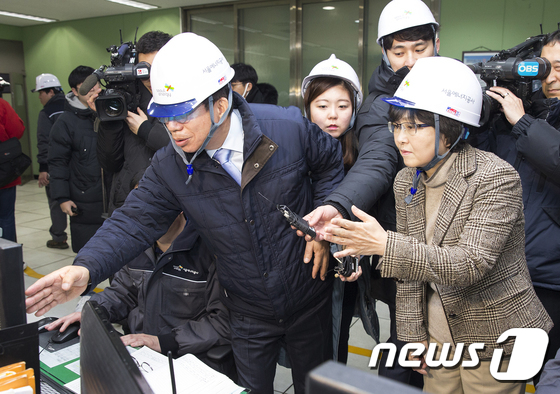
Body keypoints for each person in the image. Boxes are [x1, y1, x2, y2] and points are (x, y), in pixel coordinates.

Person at [26, 32, 344, 394]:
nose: (172, 127)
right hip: (246, 311)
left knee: (315, 387)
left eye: (182, 114)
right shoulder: (171, 164)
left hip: (308, 299)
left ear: (221, 105)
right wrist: (85, 267)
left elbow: (330, 163)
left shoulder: (286, 129)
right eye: (164, 115)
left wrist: (324, 225)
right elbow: (133, 220)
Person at [324, 56, 553, 394]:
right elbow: (409, 272)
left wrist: (385, 245)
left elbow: (470, 263)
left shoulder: (494, 177)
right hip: (438, 335)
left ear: (451, 128)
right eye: (397, 125)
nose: (401, 137)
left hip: (494, 335)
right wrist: (412, 337)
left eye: (415, 126)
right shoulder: (406, 181)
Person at [299, 0, 439, 386]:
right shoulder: (382, 105)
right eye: (399, 51)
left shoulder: (456, 86)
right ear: (384, 52)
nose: (410, 60)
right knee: (404, 344)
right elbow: (378, 162)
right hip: (397, 244)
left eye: (420, 48)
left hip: (447, 235)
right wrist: (338, 206)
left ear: (436, 42)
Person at [469, 29, 560, 384]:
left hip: (550, 281)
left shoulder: (524, 120)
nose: (552, 77)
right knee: (503, 377)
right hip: (505, 273)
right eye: (545, 67)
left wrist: (522, 121)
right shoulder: (528, 114)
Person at [46, 210, 231, 371]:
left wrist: (164, 342)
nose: (146, 216)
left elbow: (223, 322)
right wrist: (93, 311)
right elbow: (123, 293)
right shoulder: (136, 247)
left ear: (180, 208)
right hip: (139, 355)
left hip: (189, 359)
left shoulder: (212, 251)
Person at [301, 54, 371, 364]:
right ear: (307, 108)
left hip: (345, 265)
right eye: (322, 105)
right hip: (304, 264)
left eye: (342, 106)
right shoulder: (295, 149)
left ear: (354, 108)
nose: (333, 115)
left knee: (336, 337)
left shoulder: (364, 155)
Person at [94, 31, 173, 214]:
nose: (152, 80)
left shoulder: (190, 100)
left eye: (159, 70)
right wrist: (110, 117)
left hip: (172, 205)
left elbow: (186, 149)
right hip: (129, 203)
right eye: (145, 72)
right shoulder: (130, 101)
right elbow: (109, 163)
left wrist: (146, 130)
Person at [47, 66, 104, 253]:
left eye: (96, 85)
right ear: (74, 91)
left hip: (112, 198)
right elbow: (57, 162)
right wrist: (62, 197)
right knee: (88, 257)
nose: (94, 91)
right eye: (86, 87)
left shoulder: (111, 113)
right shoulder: (65, 122)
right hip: (84, 200)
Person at [32, 73, 68, 249]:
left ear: (51, 92)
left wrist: (43, 168)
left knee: (56, 200)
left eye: (41, 93)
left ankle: (59, 237)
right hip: (76, 165)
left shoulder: (46, 113)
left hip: (55, 166)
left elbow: (44, 141)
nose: (39, 97)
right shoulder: (72, 105)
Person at [0, 77, 25, 242]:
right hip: (4, 173)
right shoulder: (2, 106)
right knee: (6, 217)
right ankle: (9, 261)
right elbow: (17, 130)